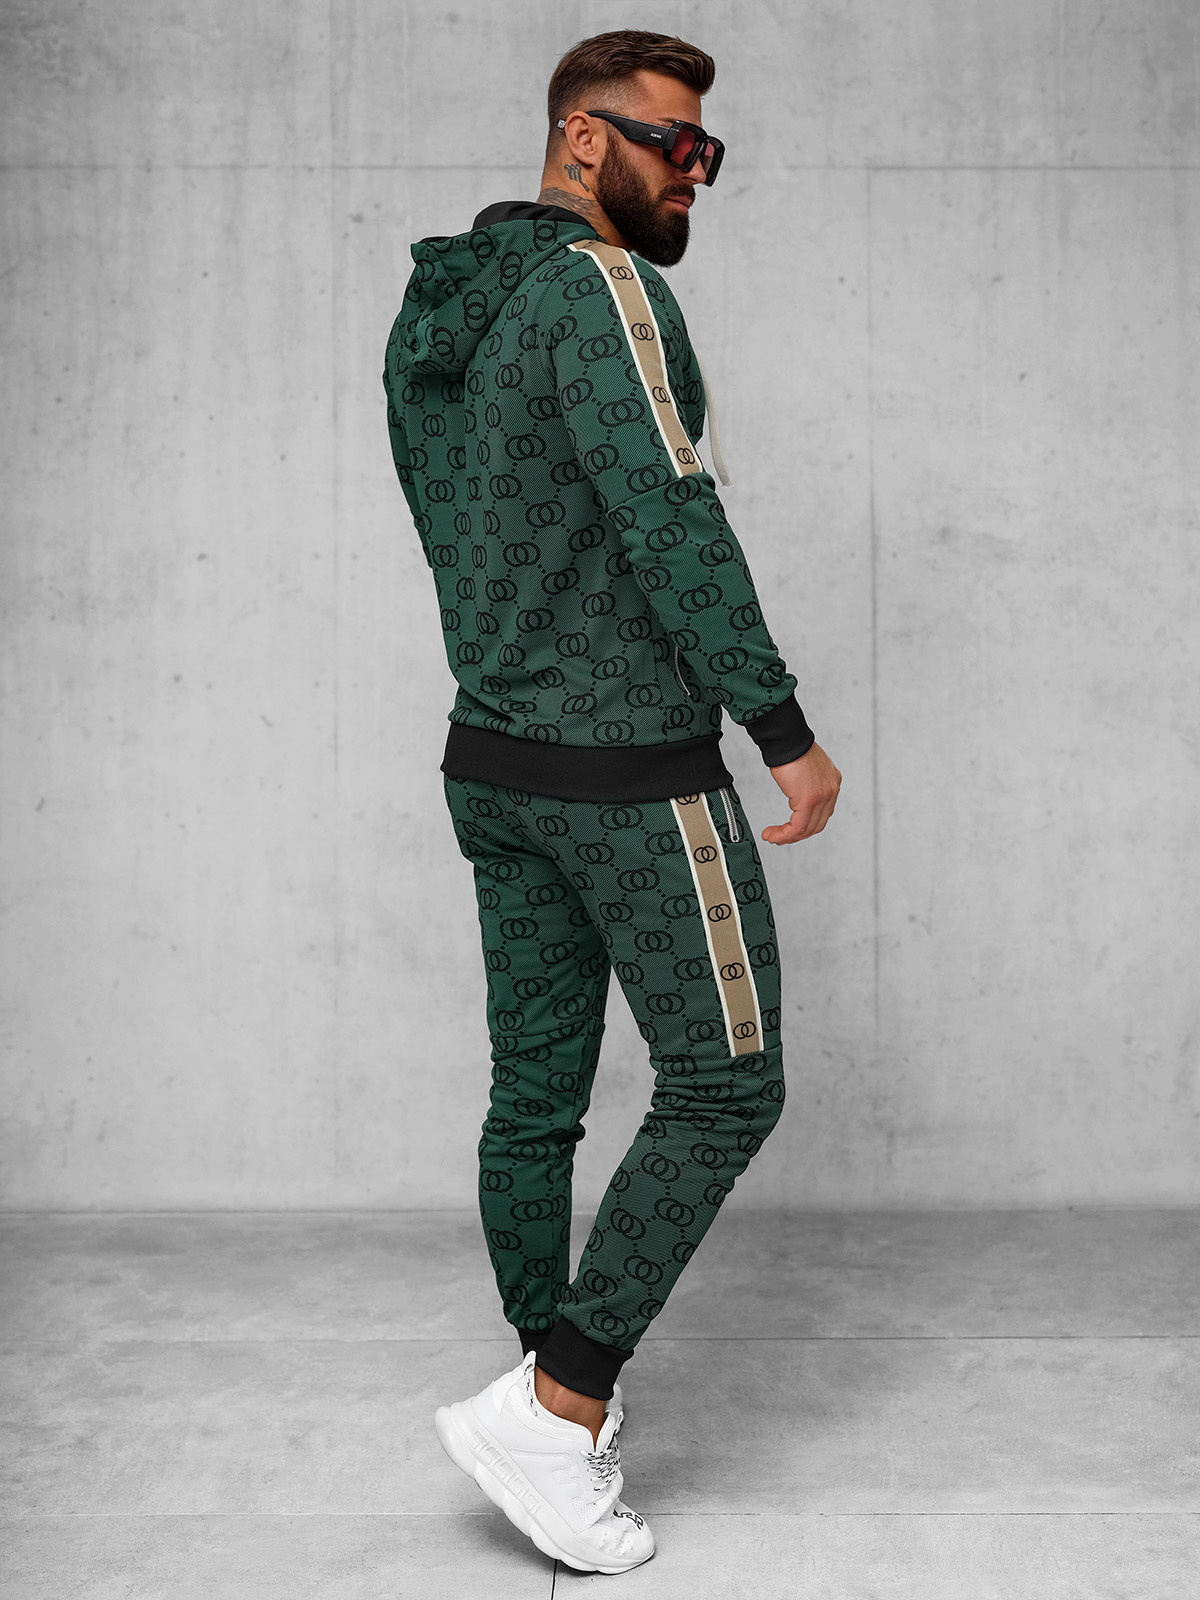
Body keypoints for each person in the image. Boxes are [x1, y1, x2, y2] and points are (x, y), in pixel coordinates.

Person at [382, 28, 841, 1576]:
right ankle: (558, 1411)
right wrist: (780, 726)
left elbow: (459, 528)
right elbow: (669, 512)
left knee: (536, 1098)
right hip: (625, 771)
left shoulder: (439, 307)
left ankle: (543, 1395)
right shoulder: (603, 288)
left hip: (494, 761)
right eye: (672, 144)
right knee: (727, 1087)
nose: (695, 172)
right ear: (585, 140)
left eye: (709, 151)